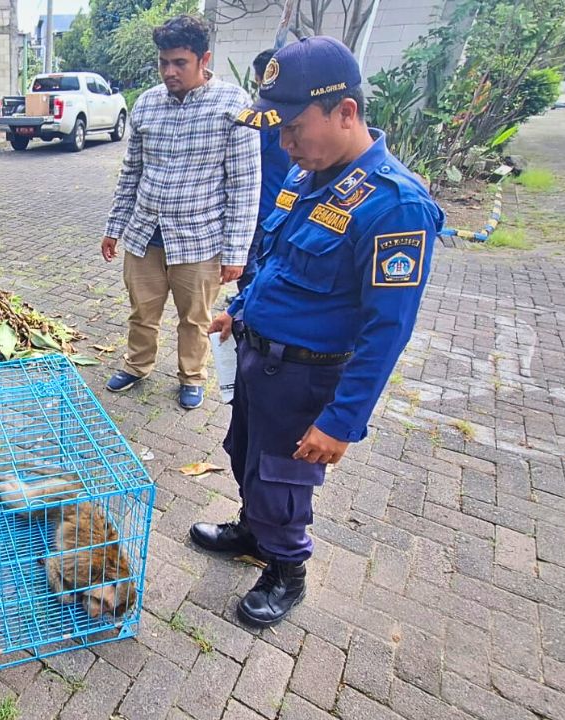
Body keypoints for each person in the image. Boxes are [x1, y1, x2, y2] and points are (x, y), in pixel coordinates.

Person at [188, 36, 444, 628]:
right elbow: (278, 262)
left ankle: (286, 569)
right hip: (259, 359)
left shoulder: (394, 207)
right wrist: (241, 308)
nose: (285, 144)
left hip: (307, 377)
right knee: (248, 457)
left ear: (345, 113)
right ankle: (255, 530)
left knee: (283, 479)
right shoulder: (313, 175)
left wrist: (341, 421)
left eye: (295, 128)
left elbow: (387, 331)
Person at [101, 14, 261, 411]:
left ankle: (191, 376)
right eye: (163, 63)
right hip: (145, 234)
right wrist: (114, 227)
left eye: (179, 63)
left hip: (200, 238)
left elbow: (244, 184)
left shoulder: (234, 105)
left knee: (195, 318)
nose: (169, 72)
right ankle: (137, 365)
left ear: (203, 58)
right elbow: (131, 173)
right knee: (142, 311)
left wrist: (236, 251)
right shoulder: (147, 105)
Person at [237, 48, 293, 293]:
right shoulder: (285, 114)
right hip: (277, 203)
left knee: (248, 264)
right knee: (263, 259)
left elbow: (244, 157)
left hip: (261, 205)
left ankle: (249, 306)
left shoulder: (268, 120)